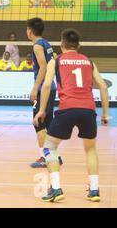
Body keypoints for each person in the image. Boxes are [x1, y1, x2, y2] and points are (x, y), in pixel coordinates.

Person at [34, 29, 110, 202]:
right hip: (88, 109)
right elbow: (104, 87)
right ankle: (95, 190)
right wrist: (105, 114)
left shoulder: (57, 61)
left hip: (67, 108)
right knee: (90, 149)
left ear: (61, 45)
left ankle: (56, 188)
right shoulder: (89, 62)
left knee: (49, 147)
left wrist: (42, 110)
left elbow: (46, 86)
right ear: (79, 45)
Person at [26, 17, 61, 168]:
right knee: (47, 122)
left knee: (38, 122)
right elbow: (54, 59)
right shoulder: (46, 43)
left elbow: (44, 67)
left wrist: (35, 88)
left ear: (30, 31)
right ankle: (54, 156)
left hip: (43, 88)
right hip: (50, 86)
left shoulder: (37, 45)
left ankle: (45, 157)